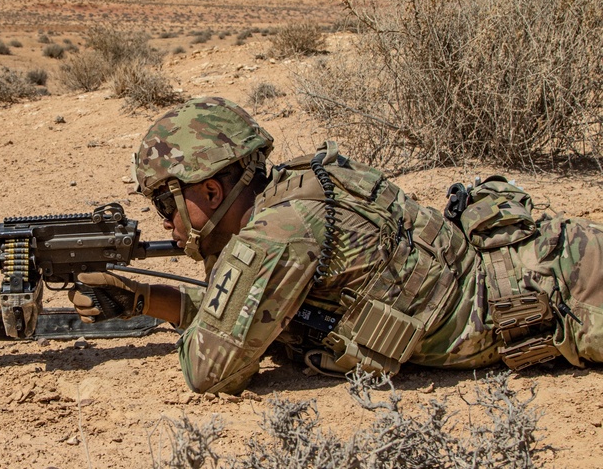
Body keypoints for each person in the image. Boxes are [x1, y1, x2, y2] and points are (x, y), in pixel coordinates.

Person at [68, 96, 603, 394]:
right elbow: (240, 317)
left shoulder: (276, 235)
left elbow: (211, 371)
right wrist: (145, 302)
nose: (164, 221)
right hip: (540, 272)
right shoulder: (292, 190)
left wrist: (161, 305)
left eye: (166, 202)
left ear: (212, 189)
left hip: (561, 296)